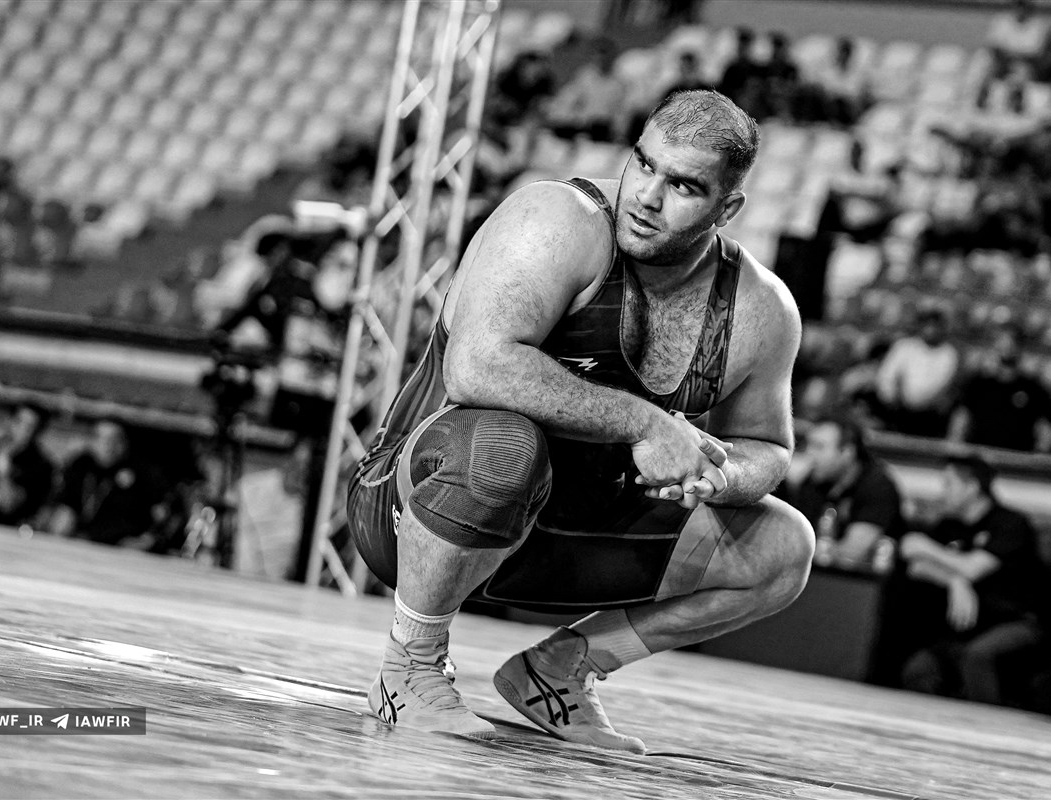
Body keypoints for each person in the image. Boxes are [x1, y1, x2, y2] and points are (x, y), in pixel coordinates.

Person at [347, 89, 812, 751]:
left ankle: (561, 668)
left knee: (783, 549)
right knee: (503, 445)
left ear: (727, 209)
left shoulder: (761, 309)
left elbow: (766, 446)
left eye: (683, 186)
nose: (647, 197)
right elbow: (477, 368)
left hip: (567, 534)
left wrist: (717, 474)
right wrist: (648, 425)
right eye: (644, 164)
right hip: (413, 509)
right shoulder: (558, 221)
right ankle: (410, 667)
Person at [897, 456, 1045, 705]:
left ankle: (987, 723)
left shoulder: (1010, 524)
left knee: (976, 656)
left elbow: (973, 568)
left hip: (1017, 622)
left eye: (949, 484)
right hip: (967, 626)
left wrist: (928, 548)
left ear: (972, 487)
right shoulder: (950, 525)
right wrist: (954, 581)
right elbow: (916, 566)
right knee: (919, 669)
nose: (943, 492)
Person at [787, 416, 903, 569]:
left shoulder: (877, 487)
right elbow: (795, 537)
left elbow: (853, 553)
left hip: (865, 580)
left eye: (819, 447)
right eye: (809, 445)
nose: (809, 454)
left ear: (847, 452)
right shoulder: (812, 482)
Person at [947, 323, 1051, 453]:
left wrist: (1040, 450)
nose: (1007, 346)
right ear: (995, 345)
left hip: (1015, 460)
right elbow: (960, 417)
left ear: (1021, 346)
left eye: (1013, 341)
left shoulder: (1033, 387)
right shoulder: (978, 383)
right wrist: (956, 447)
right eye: (1002, 341)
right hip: (978, 457)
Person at [44, 419, 164, 546]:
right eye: (101, 438)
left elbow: (142, 518)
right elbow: (64, 502)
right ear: (92, 441)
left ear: (124, 443)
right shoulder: (81, 465)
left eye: (115, 439)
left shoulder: (141, 473)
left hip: (118, 540)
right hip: (78, 534)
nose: (108, 445)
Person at [874, 307, 961, 438]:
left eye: (935, 326)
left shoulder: (949, 353)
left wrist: (918, 403)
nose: (931, 330)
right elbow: (886, 375)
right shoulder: (904, 346)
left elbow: (942, 384)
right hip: (895, 410)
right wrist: (892, 397)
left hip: (929, 415)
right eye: (928, 325)